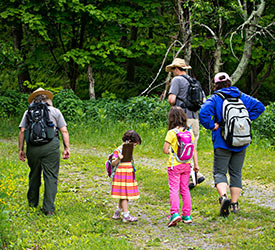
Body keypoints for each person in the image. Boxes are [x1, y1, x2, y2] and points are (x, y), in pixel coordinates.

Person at [199, 72, 265, 216]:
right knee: (236, 173)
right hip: (241, 141)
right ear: (229, 82)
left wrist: (212, 125)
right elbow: (260, 107)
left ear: (216, 85)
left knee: (220, 172)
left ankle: (223, 197)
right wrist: (246, 120)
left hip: (222, 141)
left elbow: (203, 113)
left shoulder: (215, 98)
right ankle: (234, 205)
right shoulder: (241, 96)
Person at [18, 88, 70, 216]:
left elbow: (22, 131)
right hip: (50, 147)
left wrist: (21, 149)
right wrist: (66, 147)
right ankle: (48, 209)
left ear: (34, 99)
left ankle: (32, 204)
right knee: (51, 177)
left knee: (34, 175)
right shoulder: (55, 111)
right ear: (48, 99)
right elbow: (64, 131)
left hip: (32, 148)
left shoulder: (28, 112)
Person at [166, 58, 205, 188]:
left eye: (173, 70)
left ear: (176, 69)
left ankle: (188, 177)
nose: (172, 72)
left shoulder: (177, 80)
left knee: (180, 147)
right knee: (192, 146)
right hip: (194, 118)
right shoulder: (194, 81)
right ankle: (197, 174)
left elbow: (171, 99)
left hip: (182, 119)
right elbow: (203, 99)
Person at [163, 106, 199, 227]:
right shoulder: (189, 132)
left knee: (174, 189)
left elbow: (165, 149)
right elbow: (193, 150)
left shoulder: (172, 133)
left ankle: (174, 214)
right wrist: (196, 165)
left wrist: (172, 152)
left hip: (175, 166)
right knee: (185, 189)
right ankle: (187, 215)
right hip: (187, 165)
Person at [111, 130, 141, 223]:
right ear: (128, 142)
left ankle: (117, 212)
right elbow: (112, 163)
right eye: (134, 145)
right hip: (121, 175)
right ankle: (126, 215)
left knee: (123, 194)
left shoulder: (128, 150)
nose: (134, 147)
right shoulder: (118, 150)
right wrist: (118, 158)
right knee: (125, 195)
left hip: (127, 174)